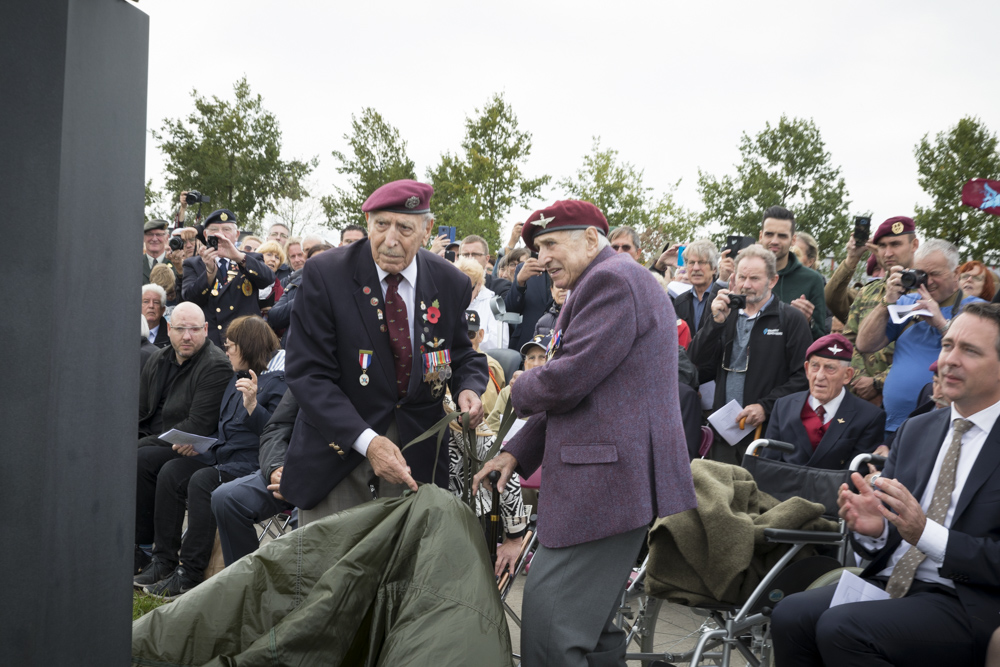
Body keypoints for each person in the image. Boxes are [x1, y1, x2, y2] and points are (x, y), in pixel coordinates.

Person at [473, 200, 697, 666]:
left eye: (552, 243)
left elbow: (566, 378)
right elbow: (581, 392)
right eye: (537, 247)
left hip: (605, 487)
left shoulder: (610, 280)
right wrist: (515, 453)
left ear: (591, 239)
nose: (544, 256)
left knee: (552, 627)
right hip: (610, 484)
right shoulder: (603, 281)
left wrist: (521, 383)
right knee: (592, 635)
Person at [771, 302, 1000, 667]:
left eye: (970, 350)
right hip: (893, 581)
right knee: (789, 615)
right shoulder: (918, 428)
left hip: (967, 599)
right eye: (947, 345)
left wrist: (925, 532)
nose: (951, 360)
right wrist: (876, 528)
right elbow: (892, 533)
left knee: (842, 628)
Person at [280, 179, 489, 522]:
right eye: (381, 225)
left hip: (416, 462)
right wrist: (368, 442)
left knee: (407, 571)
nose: (390, 239)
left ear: (427, 229)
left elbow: (462, 354)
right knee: (334, 571)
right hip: (341, 453)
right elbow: (308, 373)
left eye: (405, 227)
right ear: (367, 224)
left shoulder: (450, 282)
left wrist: (468, 387)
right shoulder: (326, 274)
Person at [135, 316, 285, 598]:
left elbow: (276, 434)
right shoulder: (235, 378)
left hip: (252, 466)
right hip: (222, 457)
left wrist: (254, 405)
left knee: (203, 481)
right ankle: (163, 560)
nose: (226, 351)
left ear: (246, 347)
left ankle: (189, 573)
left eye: (230, 346)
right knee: (172, 471)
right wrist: (200, 445)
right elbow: (226, 432)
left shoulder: (277, 384)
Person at [688, 244, 812, 462]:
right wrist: (715, 322)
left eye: (754, 278)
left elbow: (803, 378)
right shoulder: (725, 314)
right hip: (724, 433)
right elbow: (695, 360)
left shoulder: (790, 319)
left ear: (772, 280)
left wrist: (766, 407)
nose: (746, 285)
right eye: (742, 277)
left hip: (766, 435)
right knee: (721, 494)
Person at [133, 302, 232, 575]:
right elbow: (140, 412)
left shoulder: (215, 365)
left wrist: (136, 445)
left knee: (142, 458)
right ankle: (125, 543)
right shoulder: (158, 358)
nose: (187, 336)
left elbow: (198, 425)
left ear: (206, 330)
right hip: (154, 438)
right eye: (180, 329)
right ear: (169, 329)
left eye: (194, 329)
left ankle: (142, 549)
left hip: (191, 447)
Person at [857, 238, 984, 439]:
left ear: (956, 273)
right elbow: (865, 344)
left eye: (935, 274)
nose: (928, 281)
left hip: (944, 428)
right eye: (922, 274)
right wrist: (886, 302)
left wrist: (942, 323)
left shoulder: (977, 310)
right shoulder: (908, 302)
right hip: (894, 426)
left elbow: (979, 357)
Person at [763, 333, 885, 469]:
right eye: (815, 366)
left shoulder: (869, 417)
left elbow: (855, 475)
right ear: (807, 370)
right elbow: (768, 465)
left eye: (830, 368)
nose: (820, 376)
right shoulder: (783, 406)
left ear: (847, 375)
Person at [212, 389, 297, 567]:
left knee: (304, 514)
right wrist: (275, 468)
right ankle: (245, 583)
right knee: (225, 498)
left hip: (325, 475)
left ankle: (301, 587)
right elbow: (275, 428)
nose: (227, 358)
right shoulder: (304, 374)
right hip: (287, 468)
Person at [842, 216, 918, 406]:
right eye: (882, 246)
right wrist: (859, 381)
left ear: (914, 245)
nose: (888, 252)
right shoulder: (867, 292)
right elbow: (849, 342)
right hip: (861, 399)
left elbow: (921, 351)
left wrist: (878, 384)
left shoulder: (928, 292)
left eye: (895, 244)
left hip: (909, 399)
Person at [181, 209, 275, 348]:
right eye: (214, 229)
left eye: (226, 229)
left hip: (246, 343)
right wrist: (209, 272)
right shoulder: (194, 263)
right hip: (211, 346)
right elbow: (189, 299)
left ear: (236, 235)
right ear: (206, 235)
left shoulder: (251, 259)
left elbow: (268, 279)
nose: (220, 234)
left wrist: (238, 257)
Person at [759, 206, 828, 340]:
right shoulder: (744, 276)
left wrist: (808, 322)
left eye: (782, 236)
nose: (774, 241)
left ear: (793, 239)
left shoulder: (812, 280)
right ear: (761, 236)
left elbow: (820, 338)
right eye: (769, 234)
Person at [485, 333, 549, 432]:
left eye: (542, 357)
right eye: (531, 358)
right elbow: (492, 427)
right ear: (525, 363)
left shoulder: (556, 394)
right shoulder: (508, 391)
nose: (536, 363)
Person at [455, 257, 508, 351]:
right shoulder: (450, 301)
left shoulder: (493, 303)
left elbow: (500, 342)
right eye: (458, 289)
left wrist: (466, 339)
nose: (462, 294)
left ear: (479, 284)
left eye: (467, 290)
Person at [673, 239, 720, 337]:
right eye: (691, 263)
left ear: (714, 268)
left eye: (702, 262)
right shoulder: (679, 302)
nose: (695, 268)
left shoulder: (722, 298)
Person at [460, 234, 511, 298]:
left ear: (487, 259)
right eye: (465, 255)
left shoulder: (501, 286)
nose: (470, 258)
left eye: (475, 254)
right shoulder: (450, 285)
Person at [254, 240, 287, 311]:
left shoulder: (280, 290)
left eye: (277, 257)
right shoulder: (245, 279)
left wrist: (273, 312)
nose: (273, 259)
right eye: (269, 254)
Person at [142, 219, 171, 285]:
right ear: (144, 237)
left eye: (159, 234)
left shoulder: (176, 265)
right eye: (150, 234)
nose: (154, 239)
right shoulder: (134, 264)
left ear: (167, 238)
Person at [142, 284, 171, 348]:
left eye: (156, 302)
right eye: (146, 301)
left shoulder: (171, 337)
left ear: (162, 310)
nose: (151, 306)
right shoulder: (128, 333)